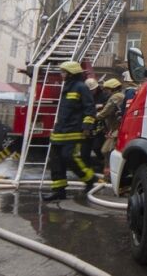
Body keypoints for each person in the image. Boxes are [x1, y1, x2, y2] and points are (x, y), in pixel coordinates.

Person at [43, 61, 97, 201]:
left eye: (63, 72)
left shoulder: (81, 87)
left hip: (73, 131)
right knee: (56, 161)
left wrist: (86, 126)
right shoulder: (66, 87)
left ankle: (90, 178)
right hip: (60, 131)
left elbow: (89, 108)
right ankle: (58, 191)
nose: (61, 75)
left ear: (71, 73)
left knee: (69, 157)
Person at [97, 78, 125, 179]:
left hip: (118, 129)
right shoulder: (118, 96)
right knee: (107, 151)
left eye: (107, 89)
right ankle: (109, 174)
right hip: (114, 129)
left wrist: (95, 115)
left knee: (107, 150)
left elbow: (107, 111)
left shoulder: (116, 97)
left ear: (112, 89)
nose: (105, 92)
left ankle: (111, 175)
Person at [81, 77, 109, 170]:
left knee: (97, 147)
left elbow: (108, 107)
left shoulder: (104, 95)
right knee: (84, 151)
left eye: (93, 90)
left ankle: (103, 164)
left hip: (99, 126)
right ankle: (86, 169)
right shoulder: (83, 96)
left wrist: (101, 106)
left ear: (97, 88)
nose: (91, 92)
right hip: (87, 127)